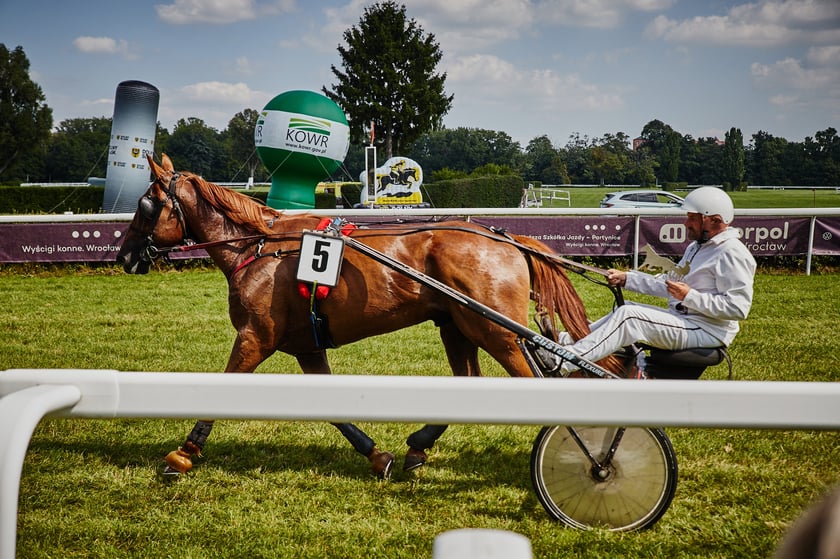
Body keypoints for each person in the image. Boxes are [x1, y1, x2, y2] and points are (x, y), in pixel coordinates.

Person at [541, 186, 756, 375]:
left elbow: (738, 308)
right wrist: (628, 279)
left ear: (714, 220)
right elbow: (669, 282)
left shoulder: (732, 252)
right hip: (686, 321)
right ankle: (566, 341)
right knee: (628, 309)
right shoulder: (697, 247)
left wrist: (689, 296)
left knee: (630, 317)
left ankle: (564, 360)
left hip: (708, 331)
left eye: (692, 218)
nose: (686, 222)